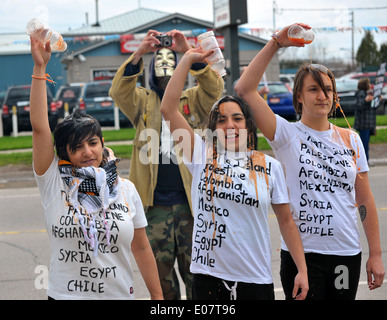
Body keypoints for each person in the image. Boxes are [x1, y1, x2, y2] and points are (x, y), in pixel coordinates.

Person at [235, 23, 385, 300]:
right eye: (314, 89)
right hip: (301, 257)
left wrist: (375, 254)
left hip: (345, 253)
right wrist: (276, 43)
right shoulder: (286, 134)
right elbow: (244, 89)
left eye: (328, 89)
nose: (322, 96)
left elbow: (364, 200)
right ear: (299, 97)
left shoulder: (351, 140)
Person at [160, 46, 308, 300]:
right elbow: (168, 109)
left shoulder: (269, 166)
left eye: (237, 118)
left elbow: (286, 221)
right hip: (208, 278)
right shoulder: (200, 156)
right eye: (221, 120)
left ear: (249, 126)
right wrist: (185, 60)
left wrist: (302, 270)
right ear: (213, 128)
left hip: (255, 279)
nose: (229, 125)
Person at [29, 36, 163, 300]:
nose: (87, 152)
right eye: (77, 147)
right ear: (64, 153)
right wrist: (39, 69)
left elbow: (142, 249)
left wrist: (158, 299)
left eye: (92, 143)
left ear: (103, 144)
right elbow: (39, 128)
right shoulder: (54, 181)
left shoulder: (126, 189)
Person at [109, 29, 223, 300]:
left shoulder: (194, 98)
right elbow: (118, 90)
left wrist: (188, 54)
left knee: (198, 277)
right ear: (152, 75)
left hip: (191, 207)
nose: (167, 79)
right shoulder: (142, 101)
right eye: (161, 75)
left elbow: (215, 89)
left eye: (172, 74)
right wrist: (138, 53)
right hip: (153, 208)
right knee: (161, 285)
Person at [354, 77, 376, 161]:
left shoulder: (367, 94)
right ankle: (364, 162)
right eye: (369, 83)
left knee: (366, 144)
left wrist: (377, 100)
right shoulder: (361, 94)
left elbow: (373, 107)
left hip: (368, 123)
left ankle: (366, 161)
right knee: (363, 145)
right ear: (365, 85)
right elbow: (358, 106)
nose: (370, 85)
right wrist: (366, 100)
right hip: (363, 124)